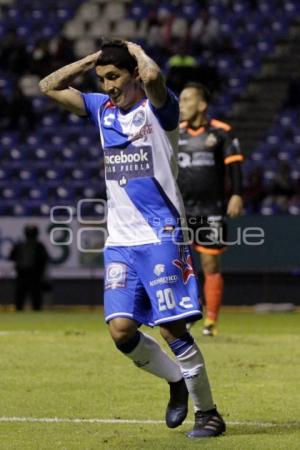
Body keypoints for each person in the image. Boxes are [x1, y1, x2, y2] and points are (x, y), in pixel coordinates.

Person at [39, 39, 225, 438]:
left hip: (162, 234)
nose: (107, 85)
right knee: (121, 331)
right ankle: (176, 382)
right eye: (102, 79)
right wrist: (93, 59)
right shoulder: (101, 110)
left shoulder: (161, 111)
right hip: (120, 240)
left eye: (114, 76)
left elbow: (155, 76)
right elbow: (48, 86)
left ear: (134, 75)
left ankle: (208, 413)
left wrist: (137, 52)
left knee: (172, 329)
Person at [177, 82, 244, 336]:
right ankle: (189, 312)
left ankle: (211, 320)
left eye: (186, 100)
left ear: (202, 104)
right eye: (180, 101)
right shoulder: (175, 132)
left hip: (211, 209)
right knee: (179, 263)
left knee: (210, 263)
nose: (181, 106)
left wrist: (237, 194)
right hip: (181, 210)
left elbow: (235, 166)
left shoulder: (222, 132)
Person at [9, 225, 49, 311]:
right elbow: (45, 260)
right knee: (31, 298)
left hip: (28, 275)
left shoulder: (37, 246)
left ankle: (22, 312)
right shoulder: (38, 246)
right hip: (30, 275)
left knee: (25, 298)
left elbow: (11, 257)